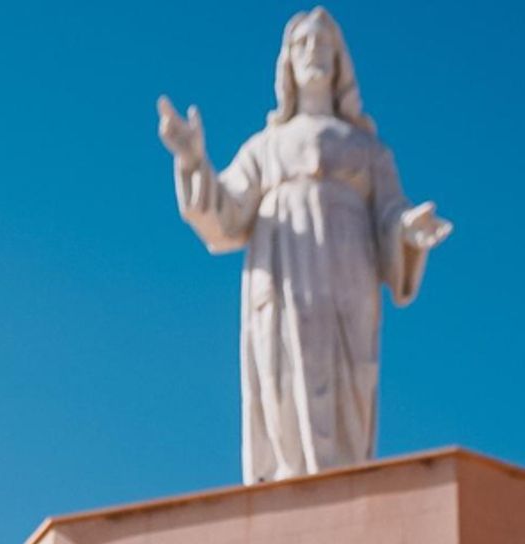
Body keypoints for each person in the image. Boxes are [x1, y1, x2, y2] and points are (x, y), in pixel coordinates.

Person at [159, 7, 450, 481]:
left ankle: (343, 477)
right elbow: (225, 215)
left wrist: (408, 231)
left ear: (339, 63)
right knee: (283, 371)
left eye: (323, 45)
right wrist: (193, 161)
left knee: (348, 378)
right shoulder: (264, 147)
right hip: (280, 272)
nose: (313, 53)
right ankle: (290, 476)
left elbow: (391, 213)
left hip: (347, 274)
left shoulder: (369, 150)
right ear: (287, 64)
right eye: (303, 45)